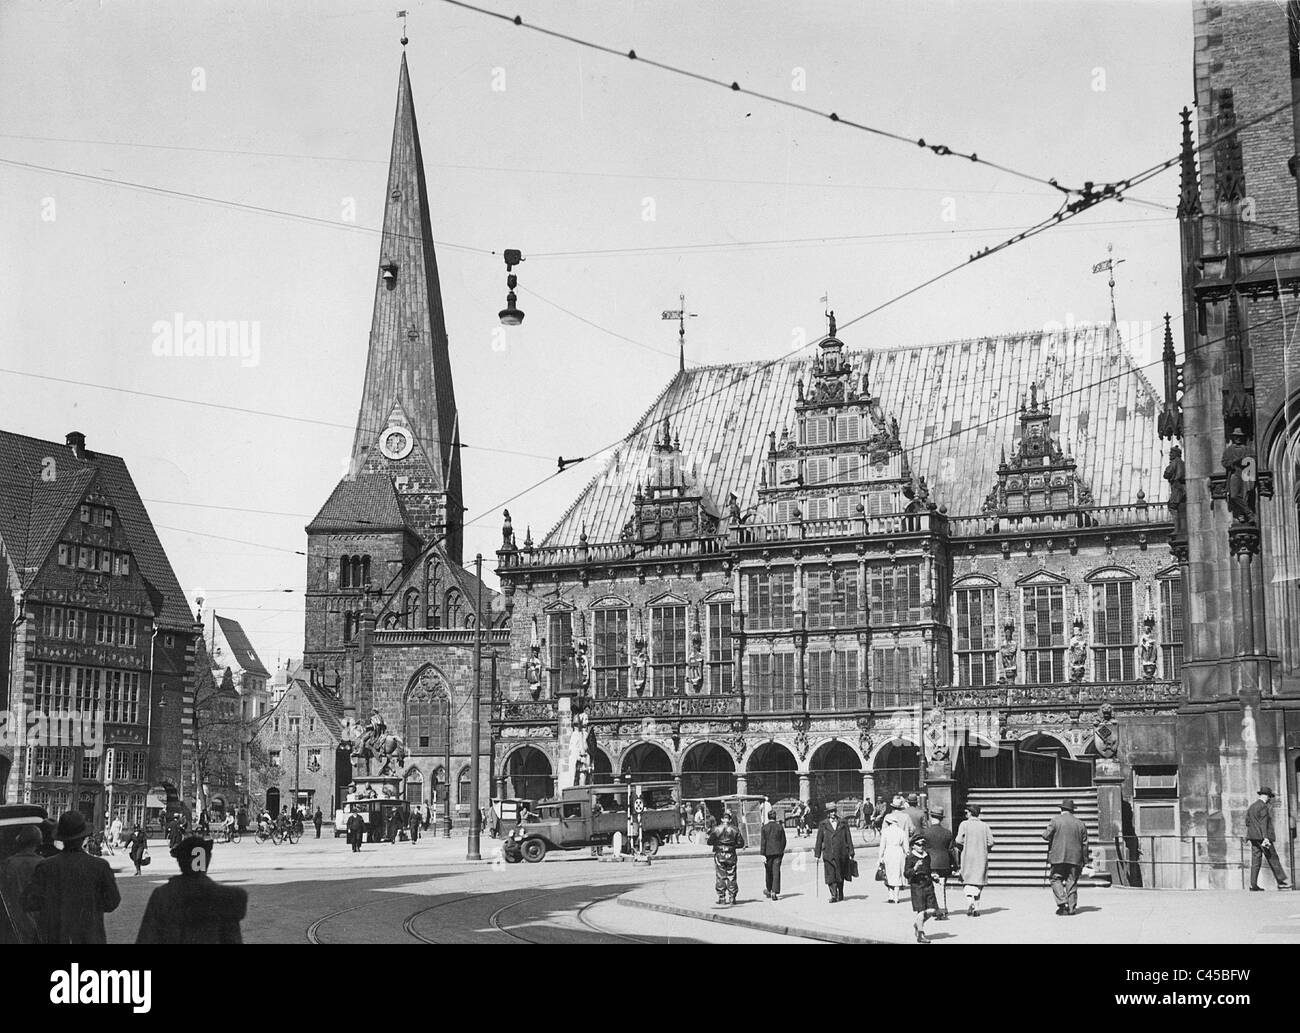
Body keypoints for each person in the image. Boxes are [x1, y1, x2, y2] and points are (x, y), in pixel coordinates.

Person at [22, 811, 121, 945]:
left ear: (62, 838)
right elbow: (112, 902)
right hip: (89, 936)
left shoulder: (46, 866)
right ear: (83, 837)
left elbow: (28, 902)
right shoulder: (99, 866)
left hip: (54, 936)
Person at [136, 836, 247, 944]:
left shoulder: (162, 896)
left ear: (180, 862)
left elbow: (146, 937)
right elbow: (233, 940)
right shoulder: (225, 899)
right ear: (207, 860)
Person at [1043, 798, 1089, 916]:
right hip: (1075, 858)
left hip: (1058, 856)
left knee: (1055, 879)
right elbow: (1085, 844)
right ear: (1072, 810)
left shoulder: (1055, 821)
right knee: (1072, 881)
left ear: (1061, 809)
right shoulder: (1080, 823)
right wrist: (1085, 860)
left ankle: (1062, 903)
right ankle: (1072, 907)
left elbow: (1045, 836)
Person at [0, 826, 44, 943]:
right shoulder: (44, 864)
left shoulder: (8, 864)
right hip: (39, 924)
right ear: (38, 842)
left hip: (14, 922)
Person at [1247, 787, 1290, 891]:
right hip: (1263, 837)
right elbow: (1263, 823)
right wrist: (1265, 838)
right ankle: (1281, 882)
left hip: (1253, 837)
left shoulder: (1252, 807)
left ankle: (1253, 884)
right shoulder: (1263, 807)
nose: (1270, 799)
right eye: (1270, 797)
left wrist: (1250, 835)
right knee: (1273, 858)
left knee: (1256, 860)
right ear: (1266, 796)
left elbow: (1247, 822)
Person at [955, 804, 994, 917]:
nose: (966, 814)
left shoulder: (964, 824)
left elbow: (958, 840)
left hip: (967, 856)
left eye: (966, 812)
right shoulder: (985, 826)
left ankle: (970, 902)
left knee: (966, 880)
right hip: (981, 856)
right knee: (978, 881)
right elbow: (991, 842)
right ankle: (976, 908)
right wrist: (985, 849)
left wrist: (964, 845)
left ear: (970, 813)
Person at [814, 801, 856, 902]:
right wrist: (817, 854)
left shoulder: (842, 822)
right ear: (827, 813)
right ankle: (833, 895)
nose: (833, 813)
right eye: (831, 812)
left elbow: (848, 838)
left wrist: (851, 851)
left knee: (840, 874)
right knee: (830, 875)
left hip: (841, 853)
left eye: (834, 811)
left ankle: (840, 893)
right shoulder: (823, 824)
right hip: (828, 853)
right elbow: (819, 839)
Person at [921, 806, 954, 919]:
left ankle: (936, 909)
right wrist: (954, 865)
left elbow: (923, 848)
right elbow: (951, 850)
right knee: (942, 885)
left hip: (930, 862)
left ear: (931, 816)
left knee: (932, 887)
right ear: (942, 818)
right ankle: (943, 908)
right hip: (944, 862)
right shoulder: (947, 833)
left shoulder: (926, 833)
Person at [905, 833, 939, 943]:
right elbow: (906, 874)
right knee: (920, 912)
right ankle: (920, 934)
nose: (921, 846)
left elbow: (929, 870)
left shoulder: (926, 855)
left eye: (923, 844)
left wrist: (934, 876)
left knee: (932, 910)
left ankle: (917, 924)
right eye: (918, 844)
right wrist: (915, 868)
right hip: (917, 886)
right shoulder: (910, 858)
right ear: (913, 846)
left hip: (928, 885)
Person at [706, 810, 745, 905]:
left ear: (722, 819)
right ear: (730, 819)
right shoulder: (735, 829)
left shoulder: (716, 829)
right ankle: (732, 897)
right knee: (732, 876)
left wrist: (717, 843)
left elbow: (709, 842)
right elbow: (741, 843)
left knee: (720, 876)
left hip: (719, 853)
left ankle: (722, 897)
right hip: (731, 853)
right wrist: (732, 845)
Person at [878, 811, 909, 904]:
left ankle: (890, 896)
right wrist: (907, 853)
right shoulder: (901, 831)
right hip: (899, 852)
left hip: (889, 852)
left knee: (889, 873)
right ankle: (896, 897)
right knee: (898, 874)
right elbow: (906, 845)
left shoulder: (885, 831)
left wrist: (880, 857)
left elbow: (882, 845)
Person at [760, 807, 788, 901]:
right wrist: (781, 850)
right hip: (778, 853)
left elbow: (763, 842)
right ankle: (774, 891)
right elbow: (784, 841)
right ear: (775, 817)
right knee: (776, 872)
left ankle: (769, 889)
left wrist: (762, 854)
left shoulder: (764, 827)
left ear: (768, 817)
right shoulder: (780, 827)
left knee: (768, 872)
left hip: (768, 853)